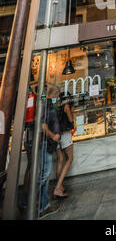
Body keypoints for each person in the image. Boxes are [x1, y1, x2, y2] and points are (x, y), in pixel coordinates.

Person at [37, 85, 61, 219]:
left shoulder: (48, 105)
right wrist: (53, 136)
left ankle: (43, 205)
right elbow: (43, 125)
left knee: (45, 174)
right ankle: (36, 203)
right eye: (57, 95)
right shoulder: (46, 105)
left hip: (48, 143)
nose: (57, 98)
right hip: (46, 142)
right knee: (45, 174)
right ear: (54, 94)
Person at [54, 92, 74, 198]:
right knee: (70, 158)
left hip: (57, 135)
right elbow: (71, 120)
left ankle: (60, 185)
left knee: (61, 159)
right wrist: (72, 111)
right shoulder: (66, 106)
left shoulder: (58, 107)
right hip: (65, 134)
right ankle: (57, 188)